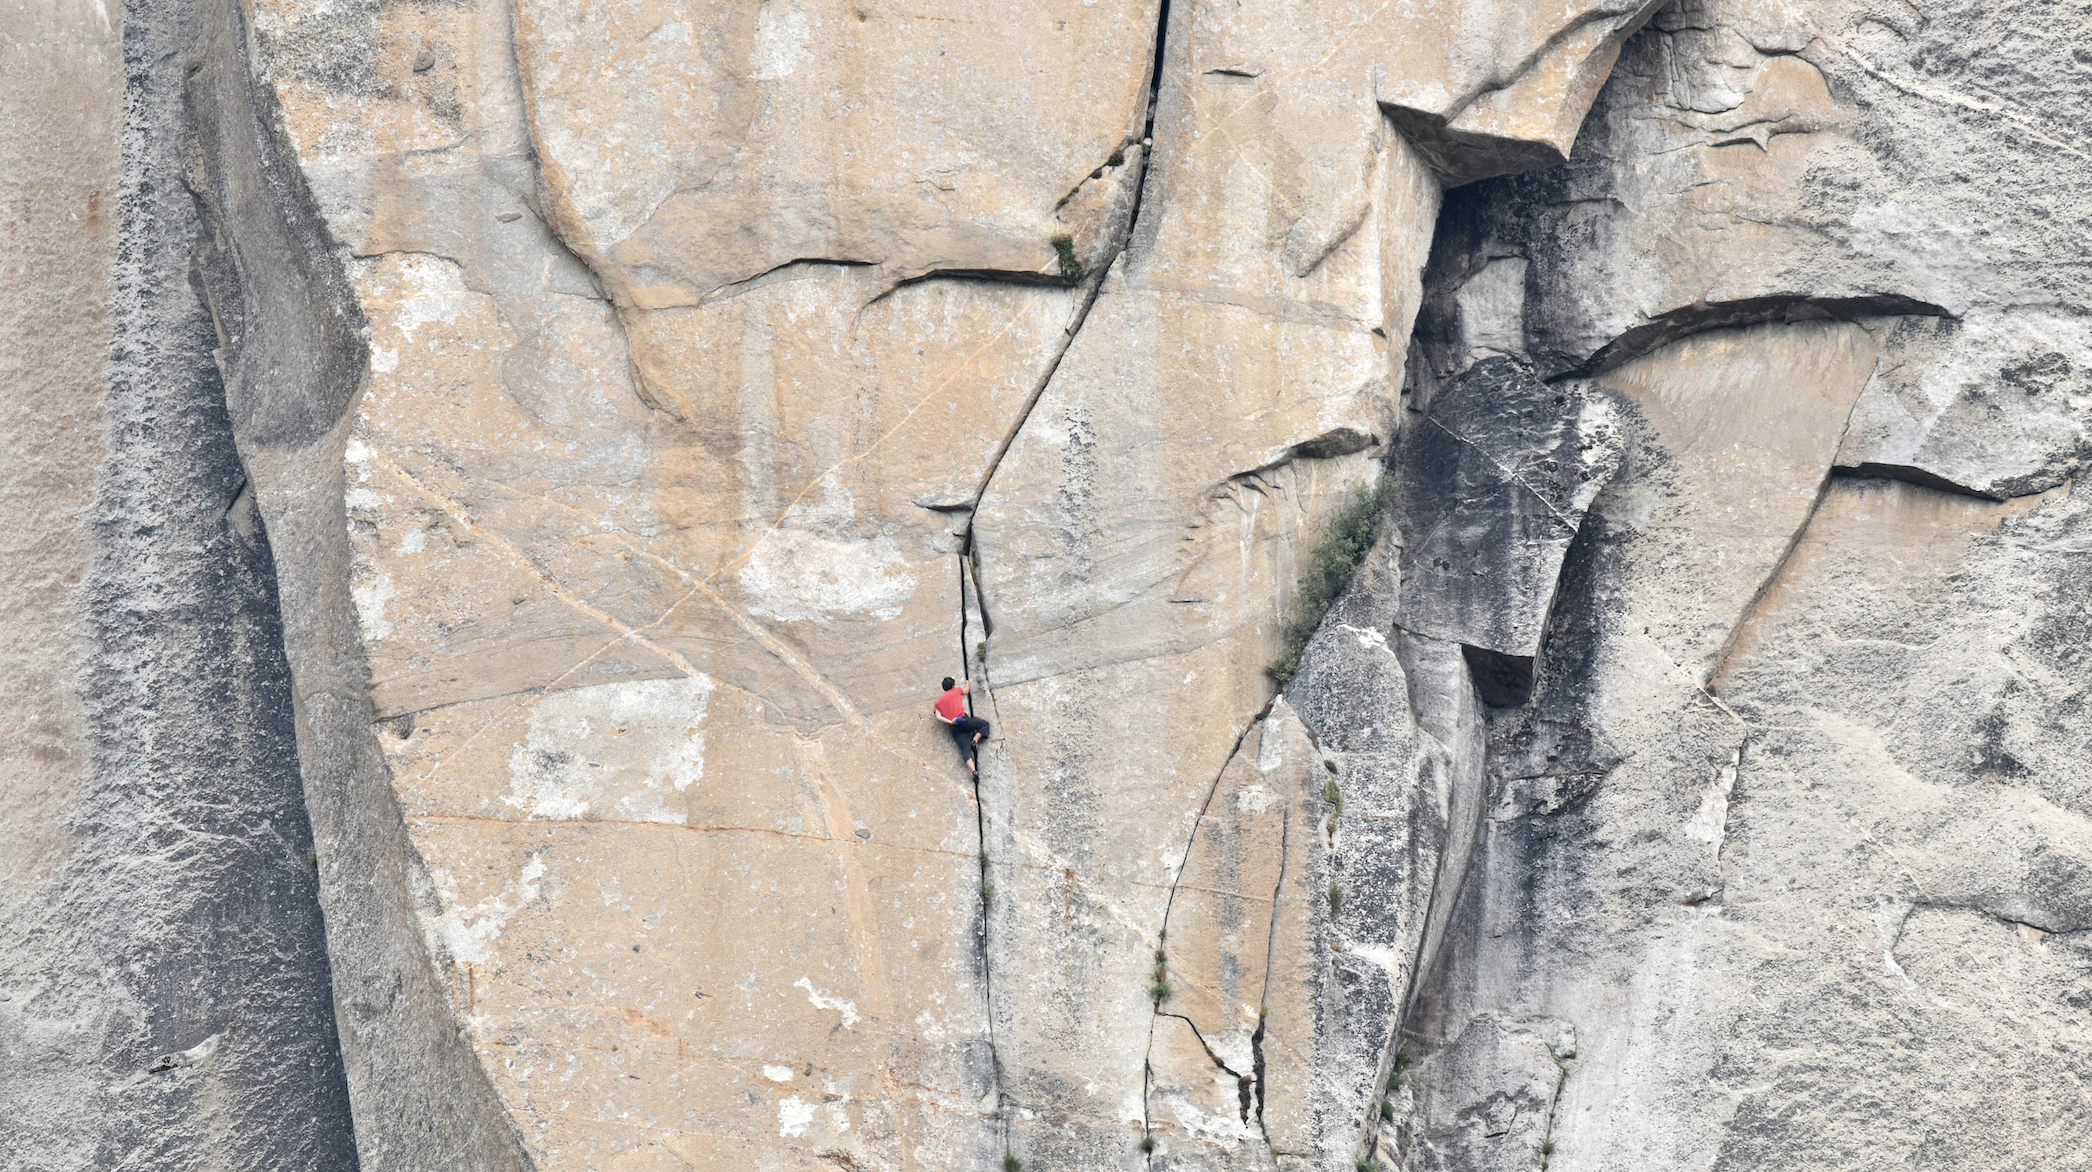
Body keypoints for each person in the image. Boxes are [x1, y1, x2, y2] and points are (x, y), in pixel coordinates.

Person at [932, 676, 991, 774]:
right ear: (953, 685)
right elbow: (966, 690)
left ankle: (973, 770)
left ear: (943, 688)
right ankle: (975, 740)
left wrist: (950, 721)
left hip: (954, 728)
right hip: (963, 720)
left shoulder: (938, 702)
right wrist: (968, 682)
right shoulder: (957, 690)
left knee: (965, 749)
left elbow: (938, 716)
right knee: (984, 724)